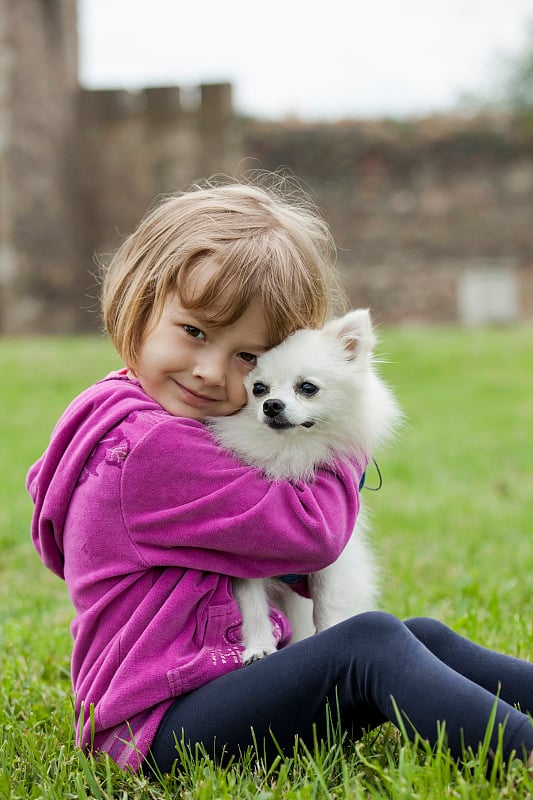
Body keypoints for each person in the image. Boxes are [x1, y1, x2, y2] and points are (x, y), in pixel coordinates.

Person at [27, 177, 533, 777]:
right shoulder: (147, 449)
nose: (212, 371)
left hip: (205, 686)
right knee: (368, 645)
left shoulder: (132, 412)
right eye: (194, 331)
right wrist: (344, 439)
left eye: (248, 357)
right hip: (158, 727)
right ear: (139, 300)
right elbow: (313, 533)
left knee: (414, 635)